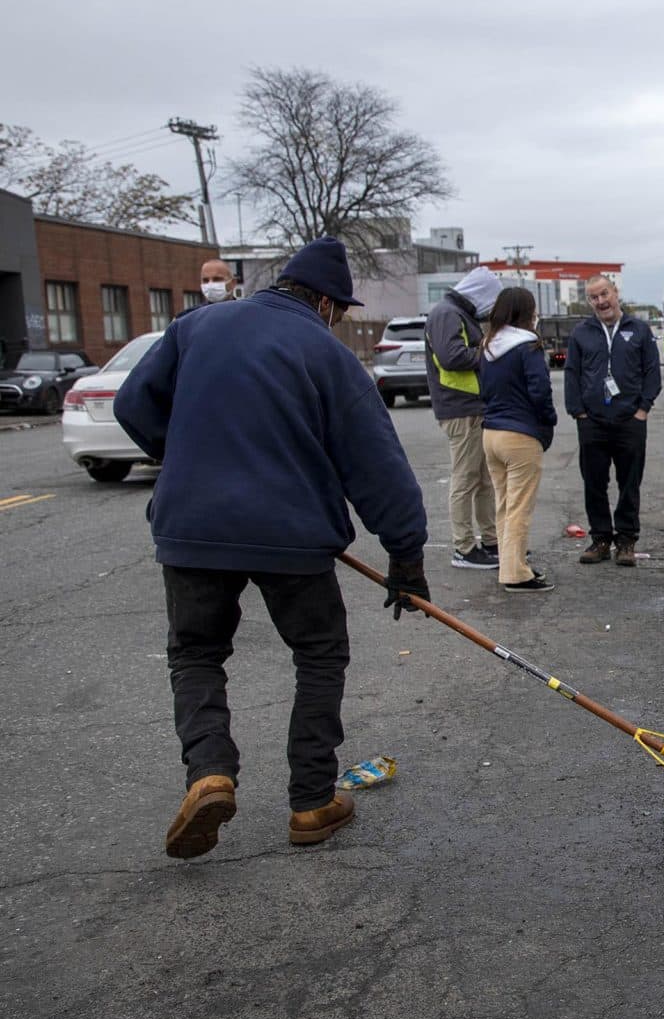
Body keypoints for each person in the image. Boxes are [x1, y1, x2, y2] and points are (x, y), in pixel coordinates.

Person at [113, 235, 431, 859]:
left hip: (192, 527)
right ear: (321, 301)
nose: (335, 318)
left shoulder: (194, 326)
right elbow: (376, 464)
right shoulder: (326, 353)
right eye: (337, 309)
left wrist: (182, 462)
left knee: (197, 653)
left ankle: (210, 773)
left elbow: (133, 404)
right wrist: (406, 556)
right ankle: (312, 801)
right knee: (317, 652)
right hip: (291, 536)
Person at [564, 274, 660, 568]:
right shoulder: (582, 333)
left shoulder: (639, 330)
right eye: (594, 297)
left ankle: (627, 540)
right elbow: (571, 373)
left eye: (604, 294)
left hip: (629, 421)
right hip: (592, 422)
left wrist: (642, 409)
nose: (601, 301)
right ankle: (601, 539)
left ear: (616, 292)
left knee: (629, 482)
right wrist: (578, 412)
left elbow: (652, 372)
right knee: (593, 482)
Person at [478, 287, 558, 593]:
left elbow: (483, 389)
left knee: (504, 505)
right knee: (520, 507)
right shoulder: (528, 346)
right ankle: (515, 573)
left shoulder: (487, 346)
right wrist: (549, 419)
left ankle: (510, 565)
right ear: (527, 313)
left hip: (491, 433)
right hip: (520, 434)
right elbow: (540, 390)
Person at [426, 267, 502, 571]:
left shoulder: (458, 313)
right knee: (465, 479)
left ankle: (491, 541)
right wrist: (491, 352)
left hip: (473, 407)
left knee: (484, 480)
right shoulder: (448, 314)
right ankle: (464, 548)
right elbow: (452, 356)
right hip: (461, 409)